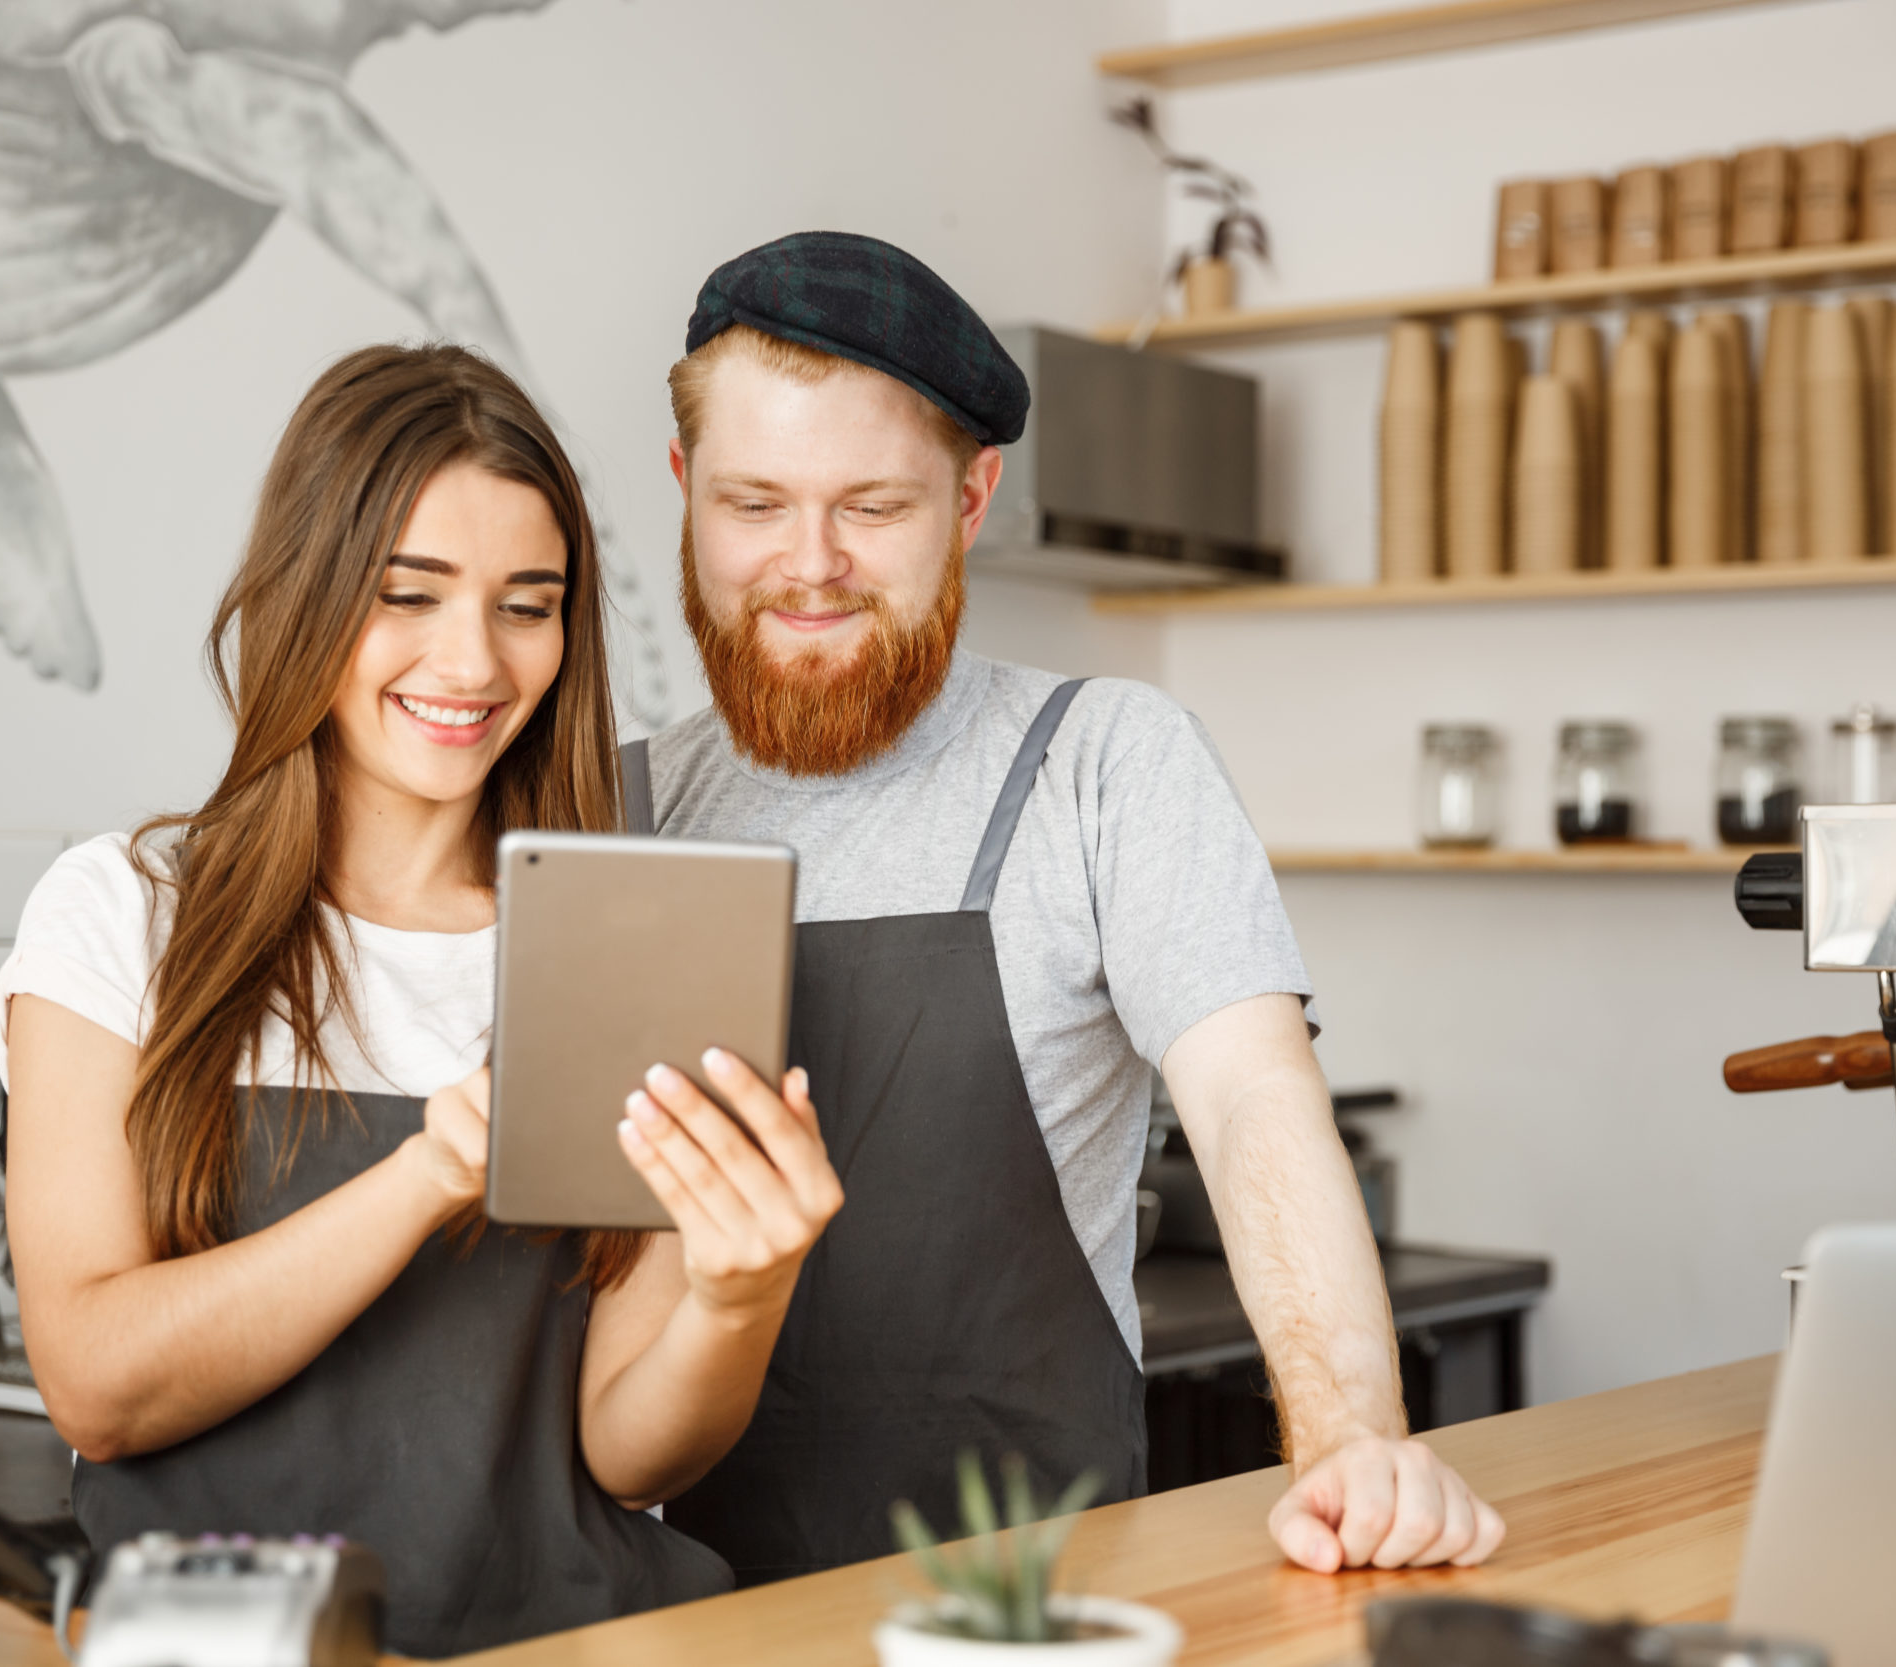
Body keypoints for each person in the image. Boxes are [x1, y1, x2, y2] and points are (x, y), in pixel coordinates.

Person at [628, 233, 1508, 1583]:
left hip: (1041, 1605)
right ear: (686, 488)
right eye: (754, 504)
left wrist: (1351, 1442)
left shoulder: (1105, 763)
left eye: (871, 506)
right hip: (675, 1605)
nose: (809, 566)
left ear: (973, 500)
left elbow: (1251, 1100)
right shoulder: (611, 809)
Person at [0, 344, 844, 1657]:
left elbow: (621, 1455)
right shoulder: (124, 916)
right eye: (410, 593)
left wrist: (740, 1297)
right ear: (305, 594)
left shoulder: (626, 944)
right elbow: (99, 1387)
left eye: (528, 603)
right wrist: (429, 1174)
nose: (475, 660)